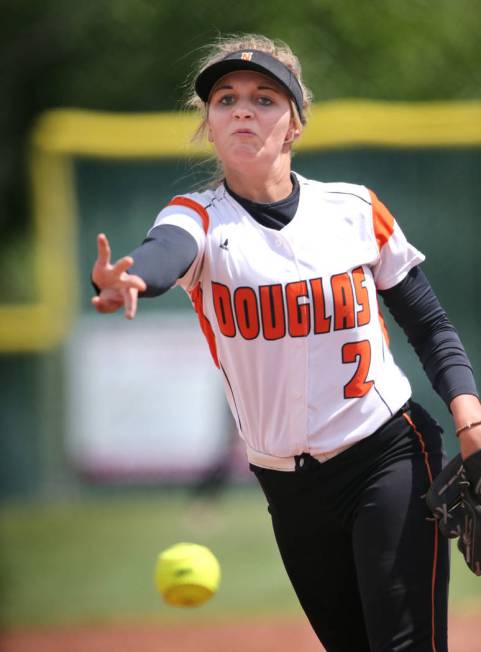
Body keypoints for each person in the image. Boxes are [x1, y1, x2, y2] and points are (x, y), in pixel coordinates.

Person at [91, 34, 481, 652]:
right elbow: (168, 251)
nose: (242, 109)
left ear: (294, 123)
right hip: (288, 486)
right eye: (226, 99)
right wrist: (132, 275)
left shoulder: (354, 210)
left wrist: (471, 423)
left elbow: (430, 325)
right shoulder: (197, 217)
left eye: (264, 97)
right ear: (210, 126)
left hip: (388, 453)